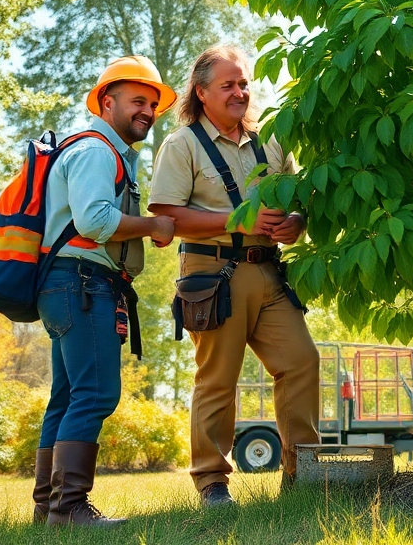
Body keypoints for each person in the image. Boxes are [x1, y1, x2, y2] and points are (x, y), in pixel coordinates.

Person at [148, 44, 319, 507]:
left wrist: (296, 224)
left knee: (302, 361)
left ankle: (303, 475)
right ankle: (212, 483)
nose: (240, 92)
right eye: (228, 85)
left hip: (269, 270)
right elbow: (165, 216)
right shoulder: (181, 144)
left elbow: (298, 202)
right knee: (218, 377)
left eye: (243, 83)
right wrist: (235, 220)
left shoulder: (271, 139)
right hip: (212, 271)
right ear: (202, 93)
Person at [35, 56, 177, 527]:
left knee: (67, 396)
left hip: (64, 284)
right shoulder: (98, 150)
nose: (147, 111)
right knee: (95, 394)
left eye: (153, 104)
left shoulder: (96, 150)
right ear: (107, 101)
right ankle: (71, 508)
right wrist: (154, 224)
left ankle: (48, 508)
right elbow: (94, 221)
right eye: (138, 100)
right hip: (81, 282)